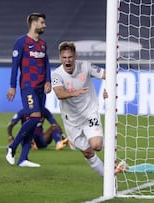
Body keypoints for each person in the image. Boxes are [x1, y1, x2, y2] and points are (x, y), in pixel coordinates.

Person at [51, 41, 105, 176]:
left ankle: (109, 174)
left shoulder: (85, 66)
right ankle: (108, 179)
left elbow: (106, 74)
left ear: (75, 56)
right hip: (72, 120)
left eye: (70, 57)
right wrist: (73, 93)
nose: (67, 60)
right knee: (88, 152)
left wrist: (109, 89)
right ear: (60, 58)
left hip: (89, 113)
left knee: (97, 145)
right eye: (64, 58)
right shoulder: (57, 74)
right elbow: (59, 93)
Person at [6, 13, 51, 167]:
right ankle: (12, 147)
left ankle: (23, 158)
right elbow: (14, 66)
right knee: (34, 117)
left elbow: (46, 64)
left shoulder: (43, 44)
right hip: (28, 86)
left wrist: (48, 81)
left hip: (40, 88)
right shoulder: (21, 42)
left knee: (35, 120)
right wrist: (12, 86)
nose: (44, 25)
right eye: (42, 22)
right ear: (33, 23)